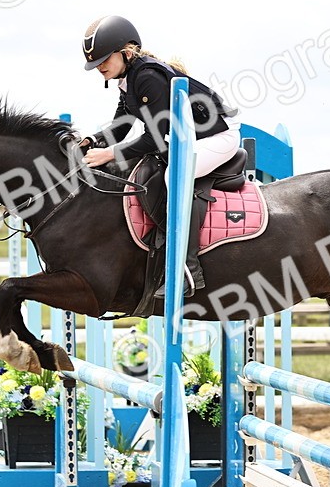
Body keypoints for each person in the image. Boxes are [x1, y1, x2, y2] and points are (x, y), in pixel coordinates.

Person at [79, 15, 240, 297]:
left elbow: (156, 137)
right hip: (187, 138)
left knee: (172, 176)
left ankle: (188, 271)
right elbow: (121, 127)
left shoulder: (148, 78)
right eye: (96, 63)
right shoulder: (128, 81)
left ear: (126, 52)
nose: (100, 67)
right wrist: (93, 141)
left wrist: (109, 154)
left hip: (216, 137)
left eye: (104, 59)